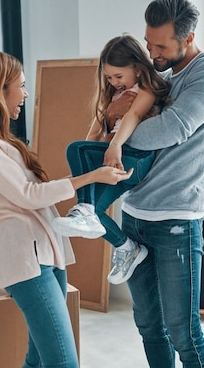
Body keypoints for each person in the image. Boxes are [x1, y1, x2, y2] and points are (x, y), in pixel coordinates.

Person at [0, 50, 132, 368]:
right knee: (62, 362)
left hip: (45, 253)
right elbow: (28, 195)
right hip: (25, 259)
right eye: (20, 85)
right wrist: (91, 177)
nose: (26, 93)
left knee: (39, 359)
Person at [105, 0, 204, 367]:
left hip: (176, 220)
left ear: (188, 37)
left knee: (184, 332)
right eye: (149, 43)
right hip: (133, 214)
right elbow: (116, 113)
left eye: (160, 46)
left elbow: (173, 128)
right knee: (148, 325)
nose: (152, 52)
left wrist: (123, 130)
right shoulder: (159, 77)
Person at [51, 34, 171, 285]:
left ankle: (84, 211)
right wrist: (107, 119)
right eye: (108, 77)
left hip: (135, 159)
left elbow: (134, 115)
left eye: (118, 76)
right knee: (94, 210)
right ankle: (127, 247)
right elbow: (92, 136)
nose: (114, 82)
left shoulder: (146, 89)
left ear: (138, 69)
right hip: (117, 161)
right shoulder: (112, 97)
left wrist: (114, 144)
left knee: (76, 150)